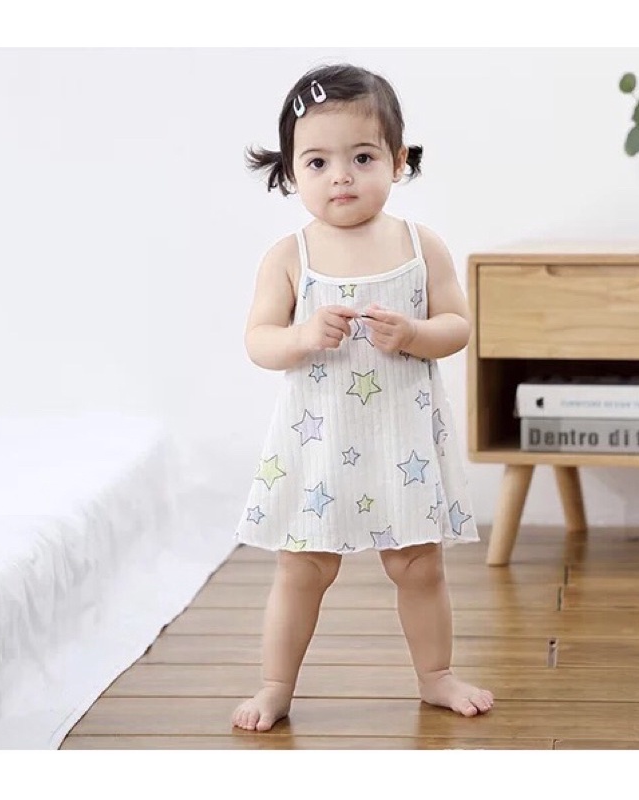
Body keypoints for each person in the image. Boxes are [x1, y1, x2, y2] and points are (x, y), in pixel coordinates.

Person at [232, 62, 493, 732]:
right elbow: (259, 341)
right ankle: (275, 685)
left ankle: (435, 675)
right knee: (303, 569)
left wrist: (414, 333)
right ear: (291, 172)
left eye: (363, 157)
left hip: (400, 443)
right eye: (317, 162)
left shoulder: (419, 246)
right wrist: (300, 337)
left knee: (419, 567)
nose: (340, 176)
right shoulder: (289, 256)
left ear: (398, 161)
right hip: (318, 446)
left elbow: (458, 325)